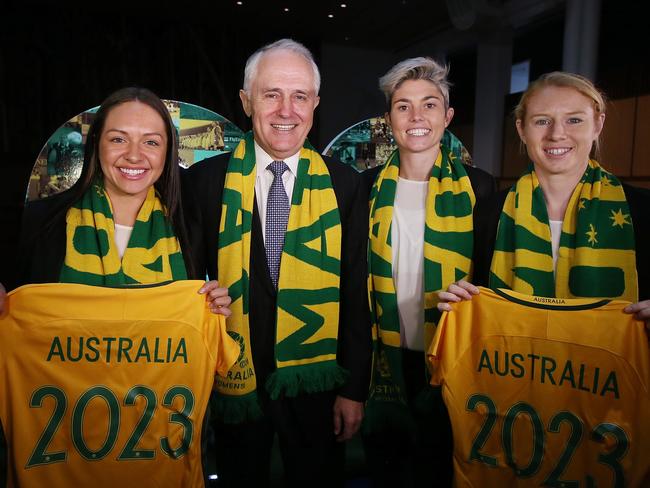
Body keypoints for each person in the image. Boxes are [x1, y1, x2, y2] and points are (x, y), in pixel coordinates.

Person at [182, 39, 371, 487]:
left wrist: (353, 389)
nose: (287, 110)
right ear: (247, 102)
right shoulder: (205, 182)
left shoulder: (346, 185)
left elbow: (355, 291)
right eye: (272, 94)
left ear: (315, 104)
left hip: (318, 383)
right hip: (235, 379)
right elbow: (185, 282)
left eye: (300, 96)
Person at [362, 57, 495, 487]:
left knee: (443, 470)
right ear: (389, 120)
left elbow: (493, 276)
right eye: (403, 106)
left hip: (452, 352)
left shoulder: (481, 187)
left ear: (448, 116)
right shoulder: (363, 187)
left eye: (429, 105)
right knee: (388, 470)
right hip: (384, 356)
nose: (416, 117)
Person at [438, 71, 650, 326]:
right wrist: (459, 301)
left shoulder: (643, 211)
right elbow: (477, 304)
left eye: (574, 120)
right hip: (514, 362)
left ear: (598, 125)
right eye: (541, 121)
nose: (557, 134)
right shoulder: (487, 214)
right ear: (522, 129)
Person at [0, 87, 230, 313]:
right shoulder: (38, 221)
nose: (133, 155)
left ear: (167, 151)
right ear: (97, 143)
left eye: (151, 142)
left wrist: (213, 306)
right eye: (118, 139)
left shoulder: (193, 226)